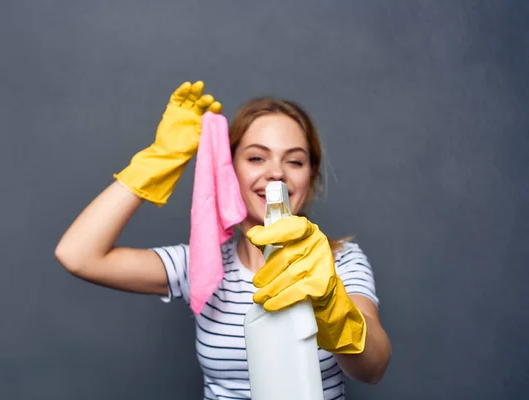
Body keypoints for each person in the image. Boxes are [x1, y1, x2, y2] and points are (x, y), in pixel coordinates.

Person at [55, 81, 391, 399]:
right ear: (229, 171)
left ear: (310, 176)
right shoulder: (202, 266)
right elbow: (78, 254)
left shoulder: (341, 261)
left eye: (295, 161)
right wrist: (159, 160)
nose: (276, 173)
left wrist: (332, 305)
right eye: (257, 157)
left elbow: (373, 368)